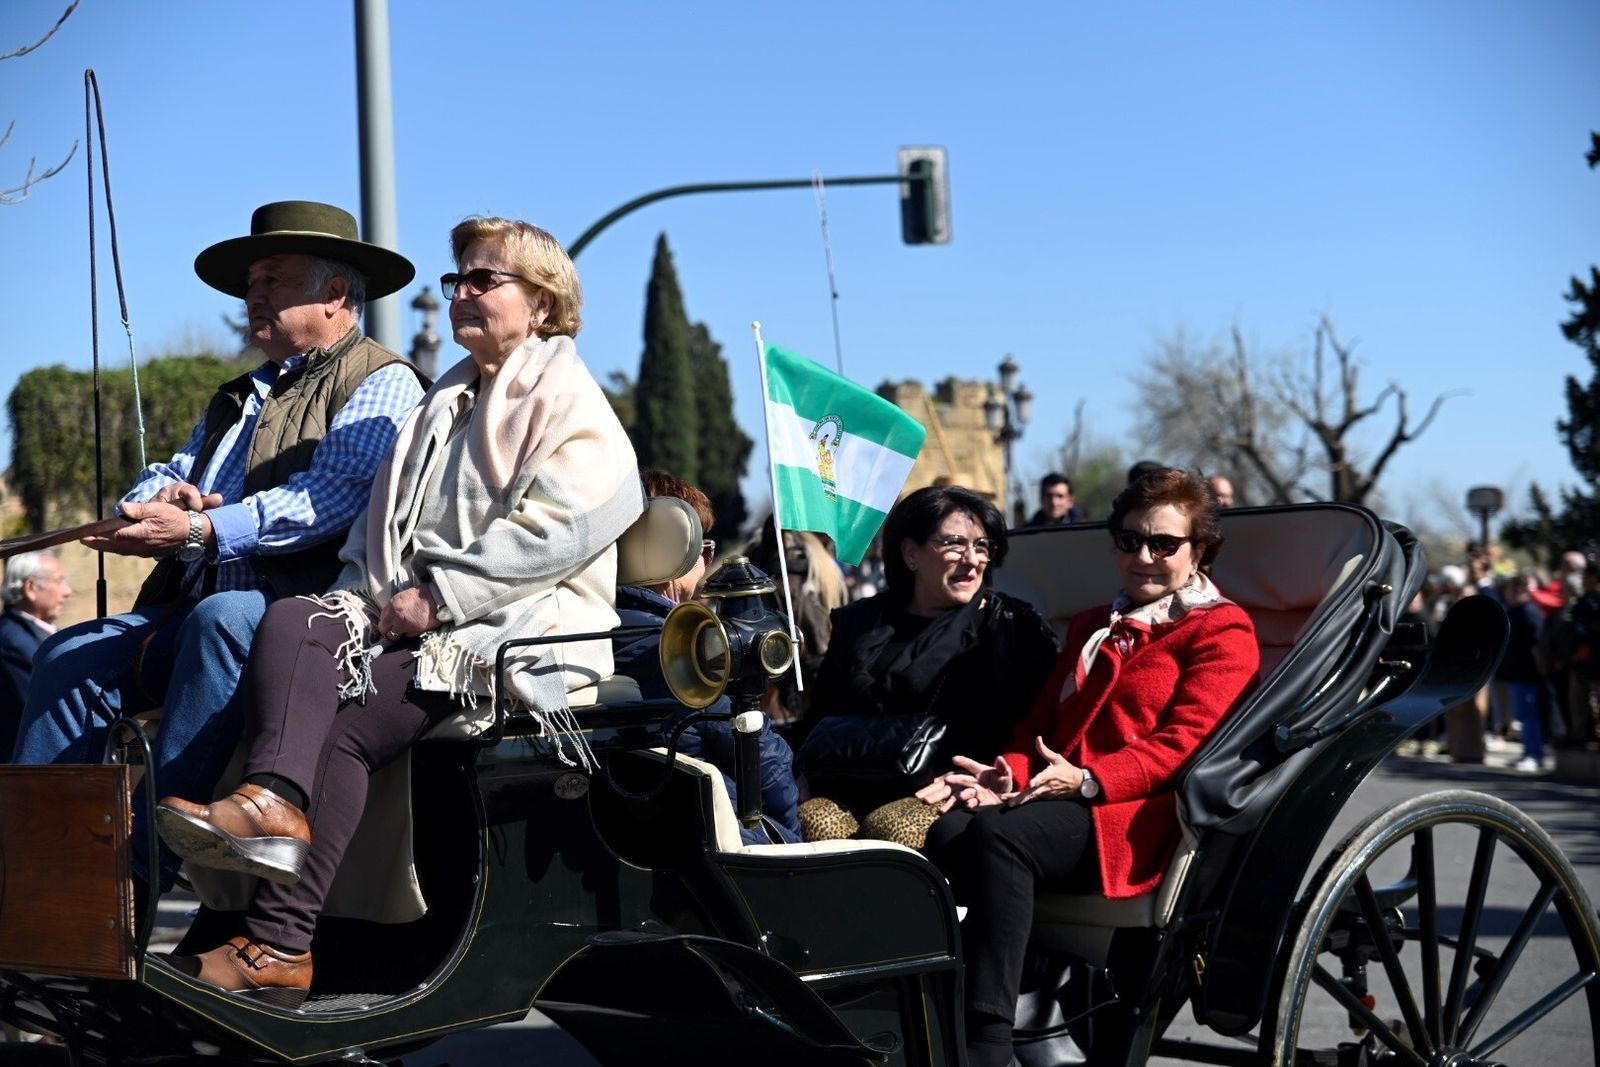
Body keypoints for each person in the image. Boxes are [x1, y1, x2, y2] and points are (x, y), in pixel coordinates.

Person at [154, 216, 643, 1001]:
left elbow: (559, 532)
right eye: (459, 280)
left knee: (346, 724)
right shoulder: (443, 399)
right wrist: (354, 600)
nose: (462, 293)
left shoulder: (577, 403)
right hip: (412, 623)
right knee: (294, 621)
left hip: (515, 635)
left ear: (543, 304)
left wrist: (439, 595)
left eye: (485, 279)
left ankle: (280, 941)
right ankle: (273, 803)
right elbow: (381, 531)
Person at [11, 201, 425, 903]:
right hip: (187, 607)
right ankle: (31, 873)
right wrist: (154, 502)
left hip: (304, 613)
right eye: (251, 280)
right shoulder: (238, 395)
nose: (253, 293)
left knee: (224, 616)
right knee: (63, 655)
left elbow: (329, 499)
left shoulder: (383, 379)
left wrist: (207, 529)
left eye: (275, 278)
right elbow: (172, 469)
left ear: (335, 293)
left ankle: (131, 882)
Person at [916, 468, 1258, 1067]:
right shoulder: (1093, 625)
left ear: (1199, 551)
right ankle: (986, 1007)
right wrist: (1008, 774)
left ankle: (987, 1038)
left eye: (1164, 544)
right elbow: (1039, 730)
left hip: (1136, 816)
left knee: (998, 838)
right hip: (1060, 801)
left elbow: (1182, 744)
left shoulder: (1222, 630)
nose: (1144, 557)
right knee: (950, 829)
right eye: (1130, 542)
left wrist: (1089, 780)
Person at [797, 485, 1059, 848]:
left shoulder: (1011, 625)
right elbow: (822, 712)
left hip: (950, 785)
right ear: (910, 553)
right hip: (853, 780)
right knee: (813, 822)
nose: (972, 559)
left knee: (893, 830)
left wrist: (996, 775)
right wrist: (800, 771)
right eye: (954, 543)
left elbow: (1042, 721)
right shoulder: (860, 623)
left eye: (982, 547)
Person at [611, 470, 801, 844]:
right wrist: (792, 838)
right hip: (704, 834)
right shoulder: (688, 652)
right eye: (705, 550)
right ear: (673, 550)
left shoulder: (585, 632)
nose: (708, 564)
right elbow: (768, 775)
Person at [0, 551, 72, 756]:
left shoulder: (31, 635)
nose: (67, 591)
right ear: (31, 588)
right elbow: (49, 708)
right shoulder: (13, 642)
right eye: (59, 581)